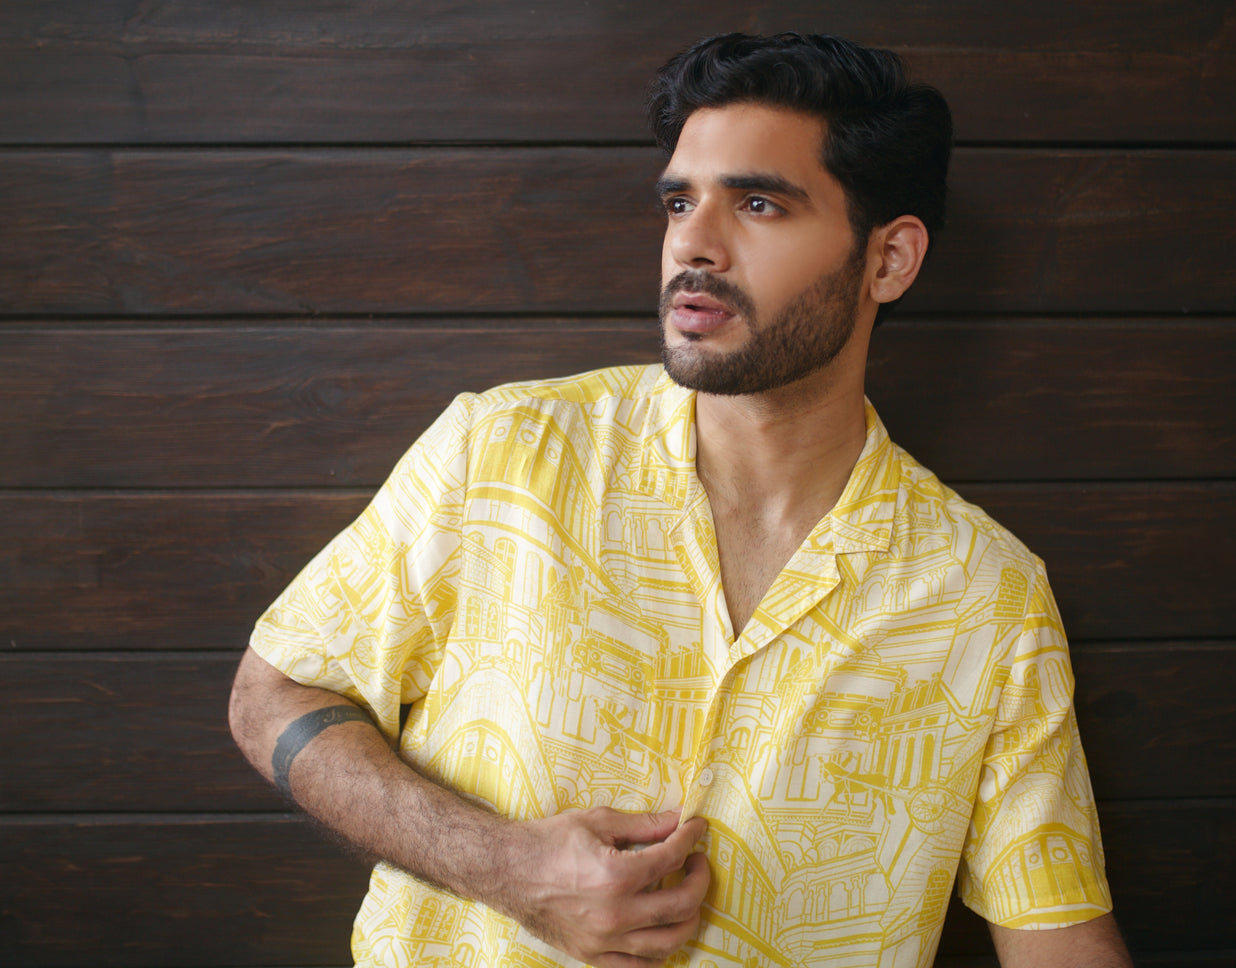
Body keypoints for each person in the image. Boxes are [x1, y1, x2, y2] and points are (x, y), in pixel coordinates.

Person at [229, 32, 1131, 968]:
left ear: (889, 260)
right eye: (677, 202)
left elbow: (1055, 933)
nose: (692, 245)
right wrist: (504, 867)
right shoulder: (505, 451)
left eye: (756, 203)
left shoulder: (986, 593)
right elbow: (274, 690)